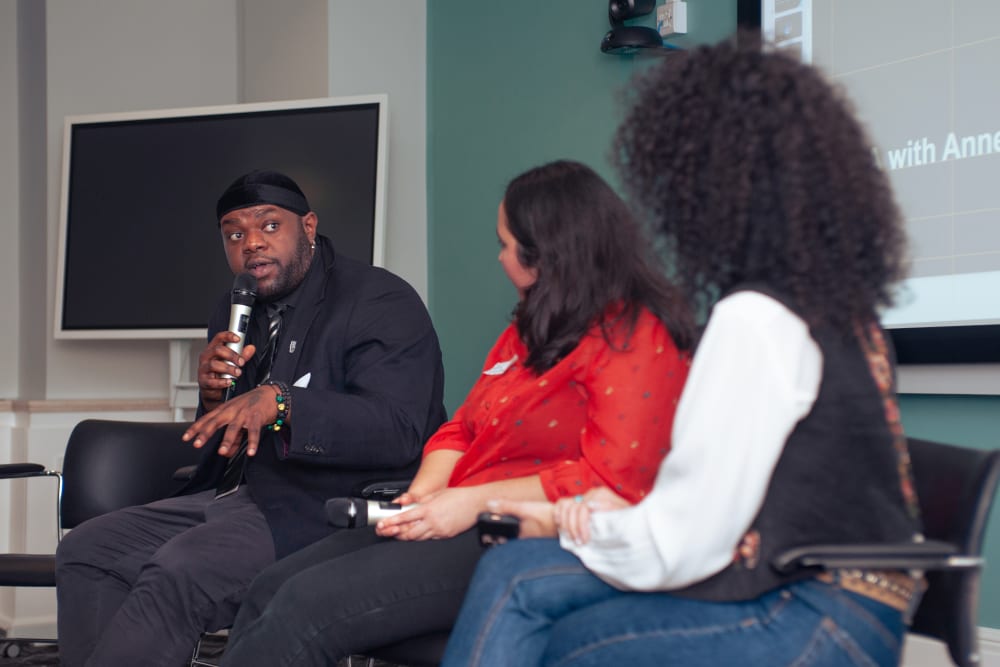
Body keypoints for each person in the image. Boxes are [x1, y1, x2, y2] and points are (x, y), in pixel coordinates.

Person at [441, 36, 921, 667]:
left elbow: (683, 543)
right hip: (851, 603)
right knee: (518, 574)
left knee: (557, 630)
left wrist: (563, 522)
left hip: (809, 615)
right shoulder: (834, 308)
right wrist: (598, 517)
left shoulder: (756, 319)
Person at [217, 159, 696, 666]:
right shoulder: (528, 332)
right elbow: (462, 428)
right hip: (454, 512)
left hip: (528, 532)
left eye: (506, 245)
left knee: (305, 606)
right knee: (271, 586)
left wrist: (470, 502)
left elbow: (613, 477)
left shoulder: (637, 338)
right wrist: (423, 494)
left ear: (548, 253)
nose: (500, 258)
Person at [54, 169, 447, 667]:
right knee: (88, 548)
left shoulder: (377, 298)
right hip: (242, 495)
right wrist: (212, 396)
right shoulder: (235, 307)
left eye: (269, 226)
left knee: (182, 570)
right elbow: (233, 434)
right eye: (234, 234)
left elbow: (400, 429)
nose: (252, 244)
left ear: (308, 226)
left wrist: (282, 402)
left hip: (324, 502)